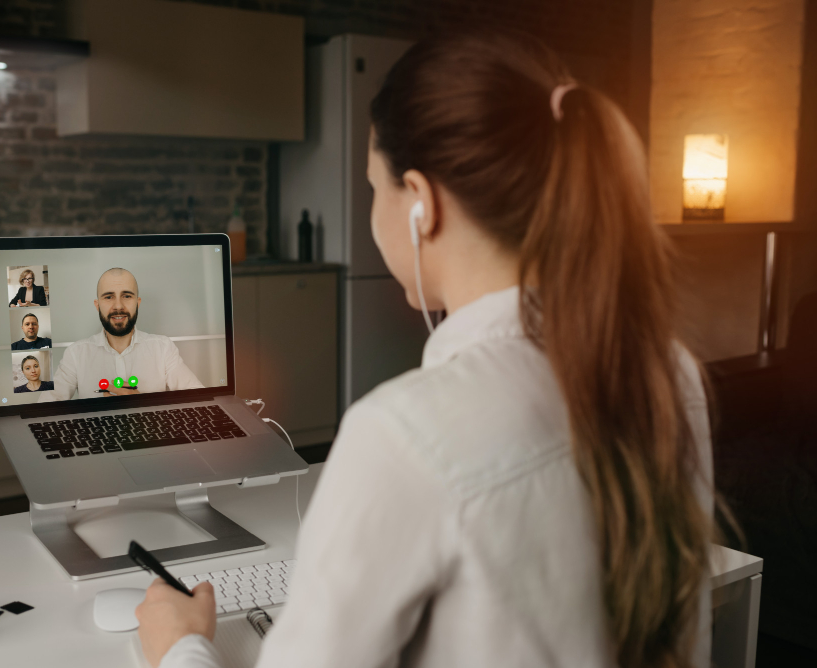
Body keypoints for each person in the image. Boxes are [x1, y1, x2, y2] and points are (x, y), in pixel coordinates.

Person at [136, 32, 718, 668]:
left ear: (421, 203)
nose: (372, 212)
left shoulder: (402, 435)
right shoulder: (669, 371)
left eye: (373, 189)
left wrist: (180, 646)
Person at [40, 267, 204, 402]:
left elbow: (199, 400)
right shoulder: (76, 354)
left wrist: (142, 405)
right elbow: (44, 410)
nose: (118, 306)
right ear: (97, 305)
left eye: (126, 296)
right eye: (109, 297)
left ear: (137, 303)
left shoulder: (163, 348)